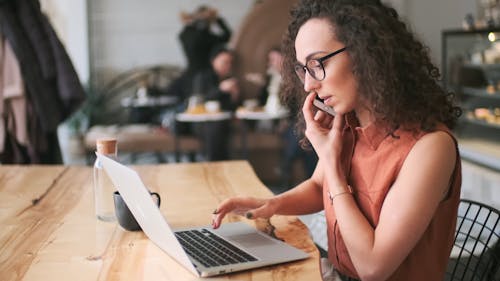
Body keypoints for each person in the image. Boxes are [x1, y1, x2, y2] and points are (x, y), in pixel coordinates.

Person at [212, 1, 462, 281]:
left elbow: (373, 267)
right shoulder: (349, 123)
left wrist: (330, 161)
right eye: (303, 69)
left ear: (364, 54)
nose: (308, 85)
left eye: (318, 64)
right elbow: (320, 187)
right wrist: (270, 204)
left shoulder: (430, 147)